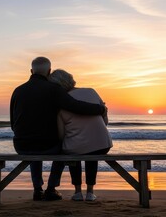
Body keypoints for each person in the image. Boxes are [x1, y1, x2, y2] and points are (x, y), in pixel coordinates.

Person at [10, 57, 107, 201]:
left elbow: (13, 123)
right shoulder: (53, 89)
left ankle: (37, 189)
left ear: (31, 71)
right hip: (48, 146)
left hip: (21, 146)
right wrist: (100, 108)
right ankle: (51, 189)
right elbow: (75, 106)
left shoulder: (17, 91)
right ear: (49, 72)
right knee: (63, 148)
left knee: (33, 145)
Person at [48, 69, 113, 201]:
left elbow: (61, 135)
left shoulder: (62, 103)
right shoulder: (92, 91)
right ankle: (90, 192)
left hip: (77, 148)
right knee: (91, 152)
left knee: (73, 150)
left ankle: (77, 192)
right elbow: (105, 120)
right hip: (103, 144)